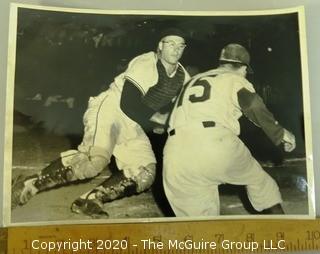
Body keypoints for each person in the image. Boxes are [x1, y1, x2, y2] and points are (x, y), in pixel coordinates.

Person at [12, 28, 190, 218]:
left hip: (133, 123)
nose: (175, 49)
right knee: (94, 160)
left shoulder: (182, 76)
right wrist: (159, 119)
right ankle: (30, 183)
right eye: (170, 43)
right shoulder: (147, 62)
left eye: (180, 45)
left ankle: (90, 200)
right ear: (160, 46)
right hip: (111, 108)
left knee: (144, 172)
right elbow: (129, 103)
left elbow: (184, 108)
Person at [163, 43, 296, 217]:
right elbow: (253, 104)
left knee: (199, 224)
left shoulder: (192, 81)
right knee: (261, 183)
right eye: (246, 71)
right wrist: (279, 133)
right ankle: (285, 232)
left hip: (175, 153)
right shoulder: (234, 78)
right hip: (214, 143)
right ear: (243, 68)